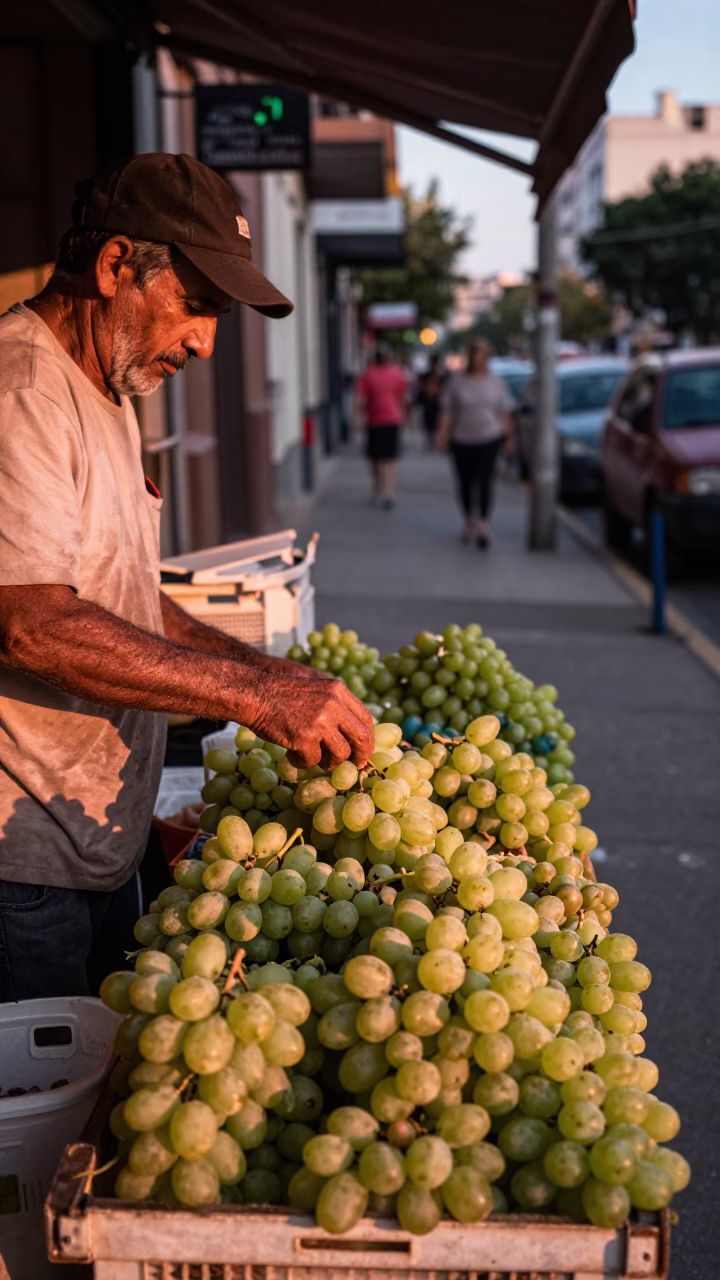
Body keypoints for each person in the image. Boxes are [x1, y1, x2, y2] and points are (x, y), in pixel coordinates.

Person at [0, 152, 374, 1003]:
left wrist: (271, 674)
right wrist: (252, 697)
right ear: (114, 265)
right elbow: (30, 623)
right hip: (20, 872)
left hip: (93, 846)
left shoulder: (107, 390)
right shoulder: (20, 390)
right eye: (197, 306)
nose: (206, 340)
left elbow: (126, 600)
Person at [436, 339, 515, 548]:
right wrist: (443, 435)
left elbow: (504, 411)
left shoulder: (496, 382)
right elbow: (448, 411)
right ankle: (468, 519)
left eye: (482, 355)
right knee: (465, 482)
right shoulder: (457, 382)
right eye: (474, 355)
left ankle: (483, 524)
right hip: (461, 438)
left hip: (489, 436)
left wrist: (509, 438)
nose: (478, 360)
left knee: (486, 480)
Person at [354, 346, 408, 509]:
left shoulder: (368, 375)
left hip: (374, 420)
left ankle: (378, 486)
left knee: (375, 457)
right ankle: (389, 491)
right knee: (390, 457)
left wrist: (356, 417)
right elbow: (403, 397)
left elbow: (360, 399)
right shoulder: (397, 374)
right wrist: (404, 415)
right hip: (392, 419)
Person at [416, 353, 446, 447]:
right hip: (429, 401)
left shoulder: (441, 374)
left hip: (437, 401)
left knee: (436, 420)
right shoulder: (427, 374)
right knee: (428, 420)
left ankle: (435, 438)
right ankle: (431, 438)